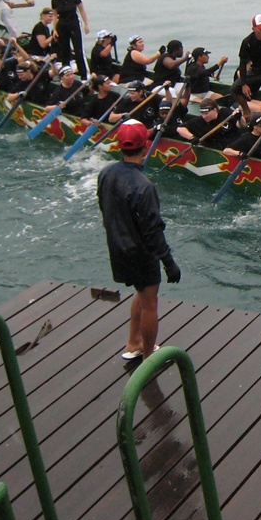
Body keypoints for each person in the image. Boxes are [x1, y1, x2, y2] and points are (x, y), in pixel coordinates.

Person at [97, 120, 181, 362]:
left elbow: (104, 206)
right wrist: (168, 262)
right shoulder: (144, 186)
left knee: (141, 292)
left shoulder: (106, 173)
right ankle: (147, 356)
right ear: (146, 146)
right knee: (150, 302)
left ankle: (134, 342)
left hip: (117, 246)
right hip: (140, 251)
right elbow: (153, 230)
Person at [49, 0, 89, 79]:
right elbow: (54, 15)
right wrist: (54, 29)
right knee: (64, 51)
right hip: (62, 25)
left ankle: (84, 75)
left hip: (74, 24)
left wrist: (86, 24)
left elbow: (82, 10)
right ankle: (65, 74)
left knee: (78, 50)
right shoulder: (54, 0)